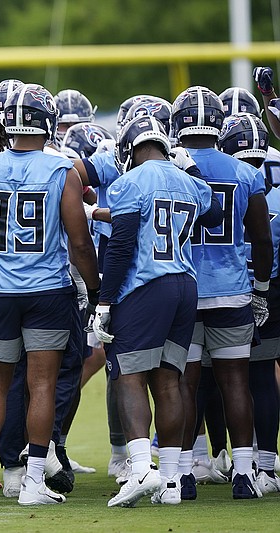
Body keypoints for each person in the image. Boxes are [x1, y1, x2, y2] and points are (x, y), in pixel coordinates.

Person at [0, 84, 100, 506]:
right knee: (41, 383)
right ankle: (31, 481)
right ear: (47, 122)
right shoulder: (61, 170)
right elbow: (80, 242)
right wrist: (96, 287)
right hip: (47, 289)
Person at [93, 116, 222, 507]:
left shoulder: (131, 181)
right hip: (185, 285)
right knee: (169, 381)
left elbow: (121, 245)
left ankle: (139, 469)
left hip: (147, 286)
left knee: (129, 374)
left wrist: (104, 299)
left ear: (130, 149)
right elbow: (214, 212)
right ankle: (169, 481)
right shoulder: (187, 180)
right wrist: (190, 165)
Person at [171, 85, 272, 500]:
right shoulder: (246, 172)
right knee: (235, 382)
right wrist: (261, 289)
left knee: (183, 383)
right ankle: (245, 473)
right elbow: (262, 241)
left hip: (186, 290)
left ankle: (184, 472)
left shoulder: (171, 169)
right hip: (232, 289)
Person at [218, 112, 280, 494]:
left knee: (239, 378)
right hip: (268, 281)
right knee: (254, 378)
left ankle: (192, 466)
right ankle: (264, 465)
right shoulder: (260, 177)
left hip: (236, 284)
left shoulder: (215, 175)